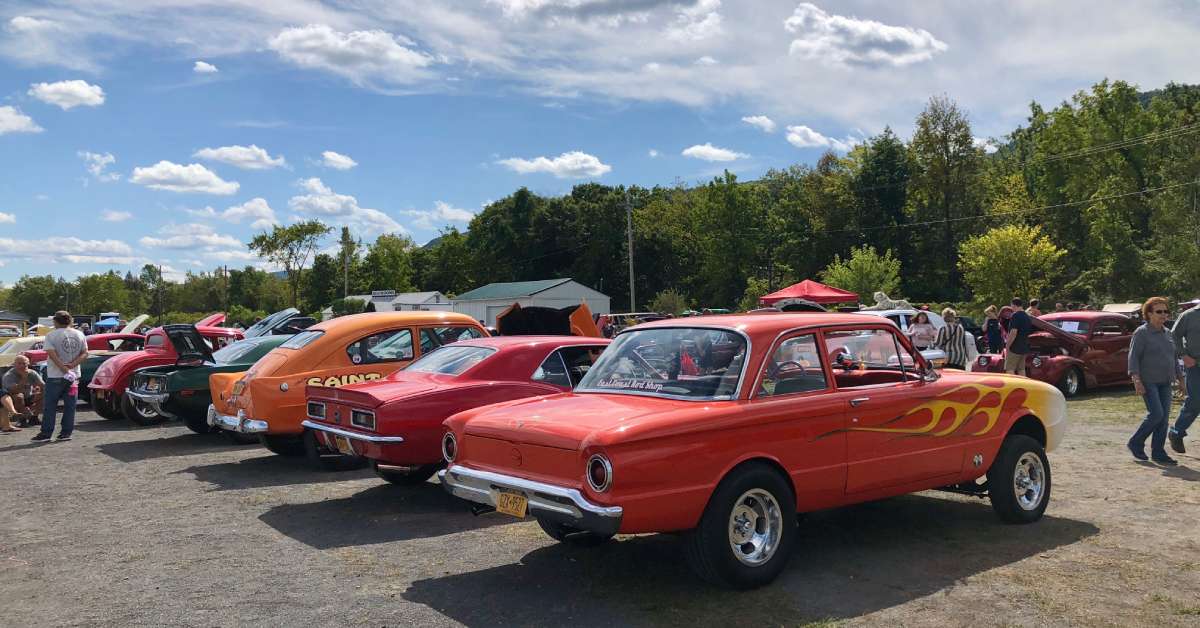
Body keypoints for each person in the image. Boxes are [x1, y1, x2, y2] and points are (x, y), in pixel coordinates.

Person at [1127, 297, 1182, 465]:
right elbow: (1133, 357)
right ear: (1149, 314)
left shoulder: (1168, 333)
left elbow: (1172, 358)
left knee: (1163, 418)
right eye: (1159, 312)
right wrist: (1136, 380)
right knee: (1156, 414)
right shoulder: (1142, 333)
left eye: (1166, 311)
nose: (1164, 315)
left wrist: (1181, 380)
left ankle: (1158, 452)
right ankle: (1135, 442)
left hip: (1165, 382)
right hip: (1148, 381)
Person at [33, 310, 87, 443]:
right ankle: (66, 433)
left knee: (50, 405)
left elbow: (52, 354)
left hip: (55, 375)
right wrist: (72, 366)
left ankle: (46, 433)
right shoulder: (79, 334)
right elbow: (85, 353)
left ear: (56, 321)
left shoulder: (51, 335)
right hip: (73, 375)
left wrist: (63, 368)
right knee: (70, 405)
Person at [1169, 299, 1200, 454]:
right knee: (1195, 401)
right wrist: (1183, 355)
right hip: (1196, 366)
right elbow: (1173, 336)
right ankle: (1176, 432)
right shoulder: (1189, 315)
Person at [4, 355, 44, 427]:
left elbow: (43, 385)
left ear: (28, 364)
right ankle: (22, 419)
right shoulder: (9, 375)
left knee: (45, 394)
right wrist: (24, 378)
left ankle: (34, 418)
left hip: (29, 396)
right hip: (14, 399)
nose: (22, 366)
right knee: (19, 396)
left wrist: (38, 388)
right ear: (14, 364)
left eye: (24, 363)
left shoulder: (32, 373)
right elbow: (13, 390)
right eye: (19, 363)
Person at [1005, 298, 1033, 376]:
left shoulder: (1015, 315)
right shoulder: (1027, 316)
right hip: (1024, 345)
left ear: (1013, 305)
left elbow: (1013, 332)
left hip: (1015, 347)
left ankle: (1011, 386)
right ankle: (1023, 386)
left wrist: (1008, 345)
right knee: (1021, 369)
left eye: (1011, 306)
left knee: (1010, 368)